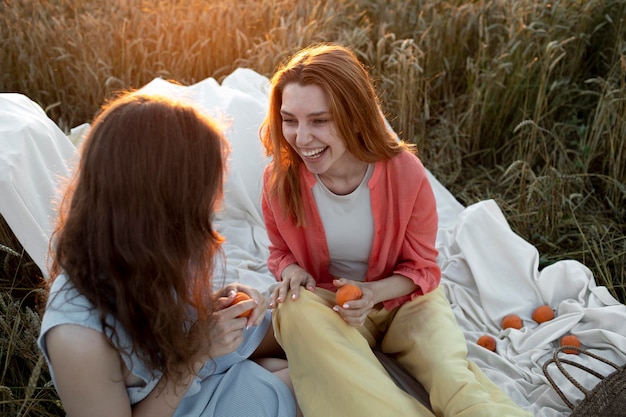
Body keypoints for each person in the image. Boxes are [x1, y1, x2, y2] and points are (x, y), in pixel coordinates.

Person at [260, 43, 532, 417]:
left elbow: (422, 266)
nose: (301, 138)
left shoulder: (404, 173)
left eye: (319, 121)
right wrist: (291, 271)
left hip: (405, 301)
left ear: (354, 115)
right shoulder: (279, 180)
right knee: (291, 310)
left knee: (453, 380)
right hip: (331, 309)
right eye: (290, 120)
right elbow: (279, 252)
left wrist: (373, 294)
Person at [37, 93, 298, 417]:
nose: (214, 205)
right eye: (203, 192)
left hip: (200, 364)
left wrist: (219, 304)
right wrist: (197, 353)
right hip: (180, 393)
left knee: (307, 341)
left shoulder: (153, 246)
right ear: (162, 202)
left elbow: (177, 316)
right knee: (307, 386)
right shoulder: (79, 337)